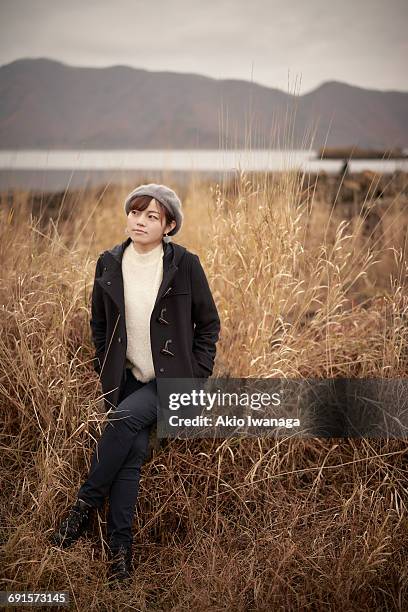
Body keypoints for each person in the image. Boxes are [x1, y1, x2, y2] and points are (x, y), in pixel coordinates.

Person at [51, 183, 221, 585]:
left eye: (151, 216)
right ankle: (120, 557)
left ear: (169, 225)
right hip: (125, 379)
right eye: (135, 212)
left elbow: (209, 325)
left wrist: (195, 377)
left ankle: (82, 509)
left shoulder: (185, 264)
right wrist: (104, 366)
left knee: (125, 421)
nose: (139, 222)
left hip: (171, 382)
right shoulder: (109, 262)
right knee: (130, 458)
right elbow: (99, 324)